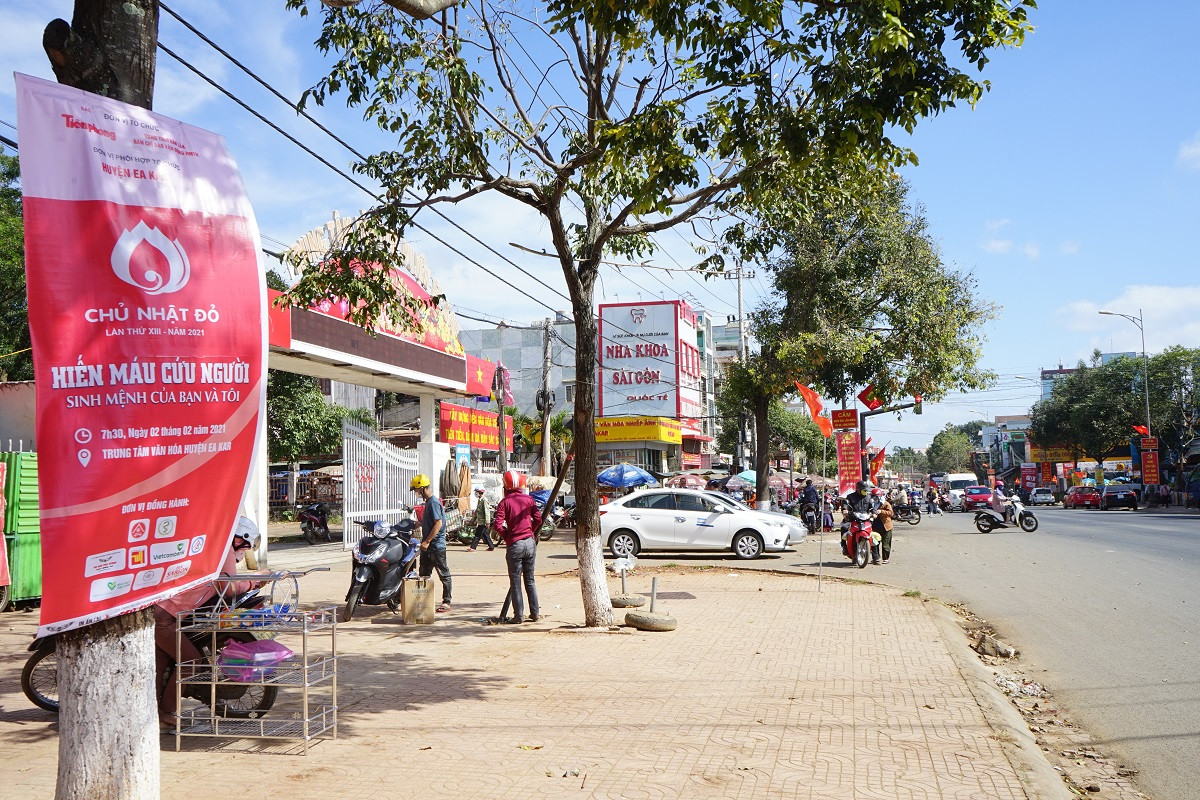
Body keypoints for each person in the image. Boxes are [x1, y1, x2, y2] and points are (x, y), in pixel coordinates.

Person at [153, 529, 261, 729]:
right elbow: (228, 586)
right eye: (245, 546)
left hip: (165, 612)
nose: (244, 551)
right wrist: (256, 580)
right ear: (241, 539)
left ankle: (157, 713)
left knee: (160, 665)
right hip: (164, 617)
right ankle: (165, 713)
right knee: (191, 660)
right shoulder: (225, 546)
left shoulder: (214, 544)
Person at [493, 469, 542, 624]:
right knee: (530, 580)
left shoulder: (504, 502)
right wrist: (530, 532)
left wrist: (508, 536)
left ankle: (518, 616)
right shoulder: (529, 500)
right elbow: (538, 519)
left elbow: (497, 524)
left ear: (505, 486)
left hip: (515, 544)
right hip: (530, 542)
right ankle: (535, 614)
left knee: (515, 582)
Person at [412, 473, 452, 613]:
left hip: (436, 546)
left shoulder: (434, 502)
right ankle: (423, 602)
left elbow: (438, 523)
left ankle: (446, 602)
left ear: (423, 489)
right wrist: (419, 523)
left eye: (417, 490)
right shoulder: (428, 503)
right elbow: (430, 521)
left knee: (444, 574)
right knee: (423, 574)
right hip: (427, 546)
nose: (416, 493)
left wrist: (427, 541)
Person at [871, 487, 895, 564]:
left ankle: (885, 558)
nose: (875, 498)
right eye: (873, 496)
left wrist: (881, 511)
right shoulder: (871, 504)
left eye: (876, 497)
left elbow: (891, 513)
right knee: (874, 543)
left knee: (886, 544)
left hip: (885, 526)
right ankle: (876, 557)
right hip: (875, 525)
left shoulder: (886, 504)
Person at [468, 487, 496, 552]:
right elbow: (477, 512)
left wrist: (487, 522)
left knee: (477, 535)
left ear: (480, 493)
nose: (475, 494)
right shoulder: (480, 500)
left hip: (483, 522)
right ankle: (491, 546)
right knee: (485, 534)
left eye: (476, 492)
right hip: (480, 521)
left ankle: (473, 547)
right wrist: (473, 520)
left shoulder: (484, 500)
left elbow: (487, 512)